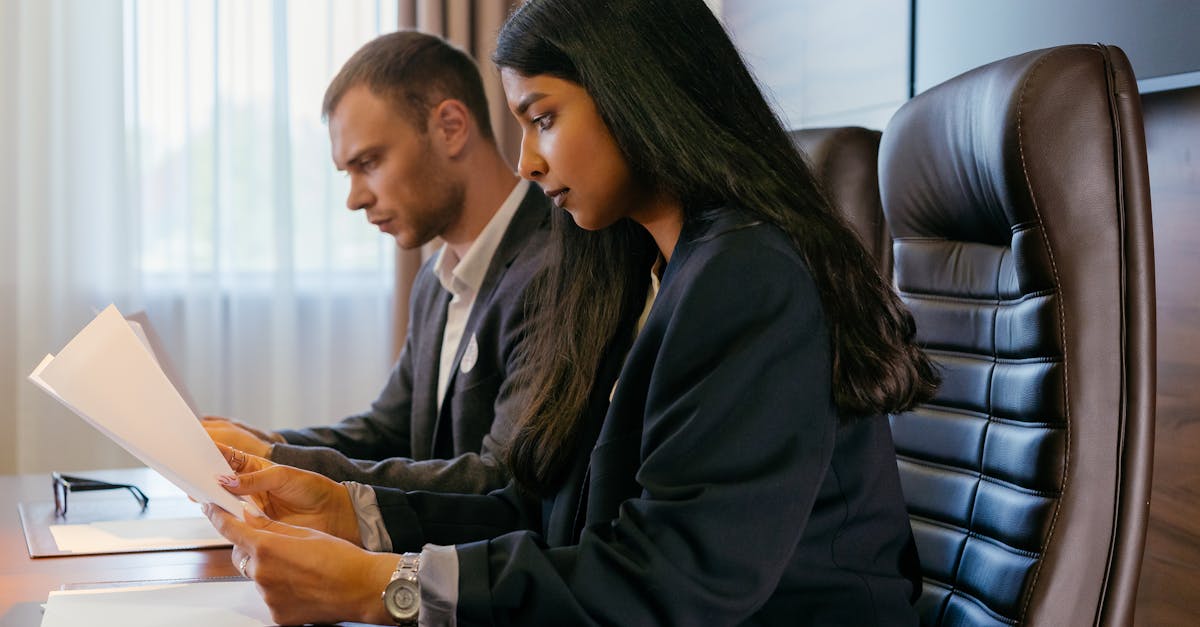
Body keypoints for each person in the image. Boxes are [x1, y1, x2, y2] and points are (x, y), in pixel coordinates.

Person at [203, 1, 940, 624]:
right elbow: (538, 505)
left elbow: (671, 580)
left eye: (543, 117)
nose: (525, 159)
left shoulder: (749, 277)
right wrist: (350, 512)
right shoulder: (630, 274)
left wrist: (386, 587)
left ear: (637, 93)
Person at [203, 31, 550, 494]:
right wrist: (264, 446)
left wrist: (274, 460)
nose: (355, 198)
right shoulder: (435, 282)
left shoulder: (551, 267)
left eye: (368, 162)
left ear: (450, 127)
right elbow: (389, 432)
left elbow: (500, 481)